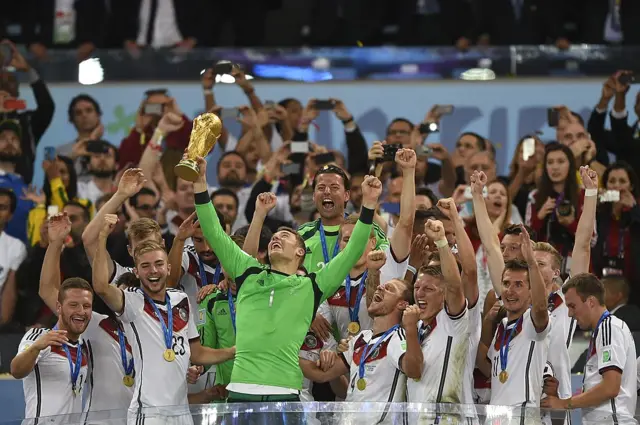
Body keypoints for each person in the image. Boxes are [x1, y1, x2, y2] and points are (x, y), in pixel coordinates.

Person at [192, 154, 381, 406]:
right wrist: (200, 182)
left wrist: (368, 203)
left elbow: (352, 250)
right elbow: (213, 231)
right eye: (274, 237)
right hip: (239, 393)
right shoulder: (247, 272)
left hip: (286, 395)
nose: (275, 239)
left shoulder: (312, 287)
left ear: (300, 252)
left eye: (285, 236)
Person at [91, 214, 235, 425]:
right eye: (146, 266)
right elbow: (102, 287)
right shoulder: (131, 302)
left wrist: (233, 351)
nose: (153, 271)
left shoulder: (181, 300)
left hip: (181, 412)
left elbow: (197, 353)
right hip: (149, 413)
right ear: (137, 272)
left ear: (168, 268)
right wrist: (102, 236)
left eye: (159, 264)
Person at [38, 213, 135, 414]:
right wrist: (55, 244)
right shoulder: (94, 323)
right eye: (119, 291)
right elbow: (47, 290)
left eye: (131, 294)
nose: (123, 298)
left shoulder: (151, 326)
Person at [300, 278, 414, 425]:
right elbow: (321, 375)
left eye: (389, 289)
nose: (380, 287)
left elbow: (414, 370)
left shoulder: (399, 339)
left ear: (402, 304)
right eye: (381, 286)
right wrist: (279, 354)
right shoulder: (360, 338)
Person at [543, 274, 638, 425]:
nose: (570, 314)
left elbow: (610, 387)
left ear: (591, 302)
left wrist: (564, 403)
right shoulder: (604, 330)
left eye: (572, 306)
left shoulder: (609, 327)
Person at [476, 226, 551, 415]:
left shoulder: (533, 323)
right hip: (496, 415)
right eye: (506, 284)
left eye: (519, 285)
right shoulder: (501, 326)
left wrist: (532, 263)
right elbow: (486, 365)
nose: (510, 290)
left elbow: (541, 307)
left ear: (531, 292)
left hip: (523, 414)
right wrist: (488, 321)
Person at [405, 219, 469, 423]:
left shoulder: (452, 321)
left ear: (443, 295)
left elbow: (454, 285)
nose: (419, 294)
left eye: (429, 289)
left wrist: (441, 241)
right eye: (417, 288)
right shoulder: (414, 325)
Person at [10, 278, 93, 420]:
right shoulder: (40, 337)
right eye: (73, 305)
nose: (81, 311)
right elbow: (16, 371)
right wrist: (36, 347)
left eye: (86, 306)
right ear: (59, 307)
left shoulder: (83, 346)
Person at [298, 164, 387, 273]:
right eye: (321, 188)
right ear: (313, 196)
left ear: (346, 195)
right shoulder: (301, 236)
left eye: (334, 187)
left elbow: (393, 259)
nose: (327, 191)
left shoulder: (367, 229)